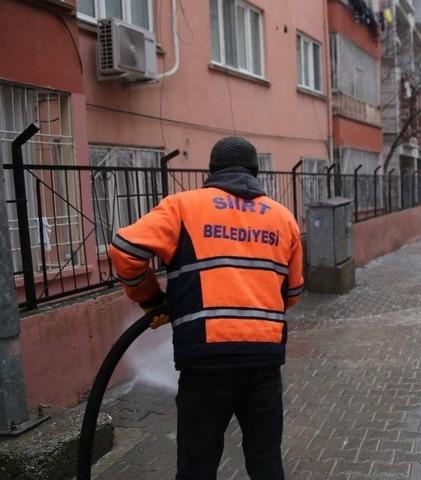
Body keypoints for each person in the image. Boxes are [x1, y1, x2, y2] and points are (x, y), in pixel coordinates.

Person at [108, 137, 303, 480]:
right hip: (264, 364)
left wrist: (152, 301)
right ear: (256, 173)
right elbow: (293, 294)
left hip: (206, 362)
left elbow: (125, 250)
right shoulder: (283, 218)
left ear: (212, 172)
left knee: (197, 465)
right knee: (266, 462)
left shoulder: (183, 207)